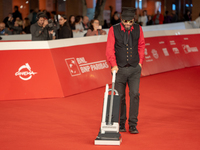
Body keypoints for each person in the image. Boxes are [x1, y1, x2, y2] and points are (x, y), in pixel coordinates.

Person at [106, 7, 145, 134]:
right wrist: (113, 64)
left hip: (134, 68)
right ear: (121, 20)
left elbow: (141, 45)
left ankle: (133, 124)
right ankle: (121, 123)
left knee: (134, 95)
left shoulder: (138, 29)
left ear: (133, 20)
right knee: (120, 97)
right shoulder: (113, 29)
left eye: (130, 22)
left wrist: (140, 62)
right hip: (120, 69)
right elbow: (109, 48)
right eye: (125, 21)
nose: (128, 24)